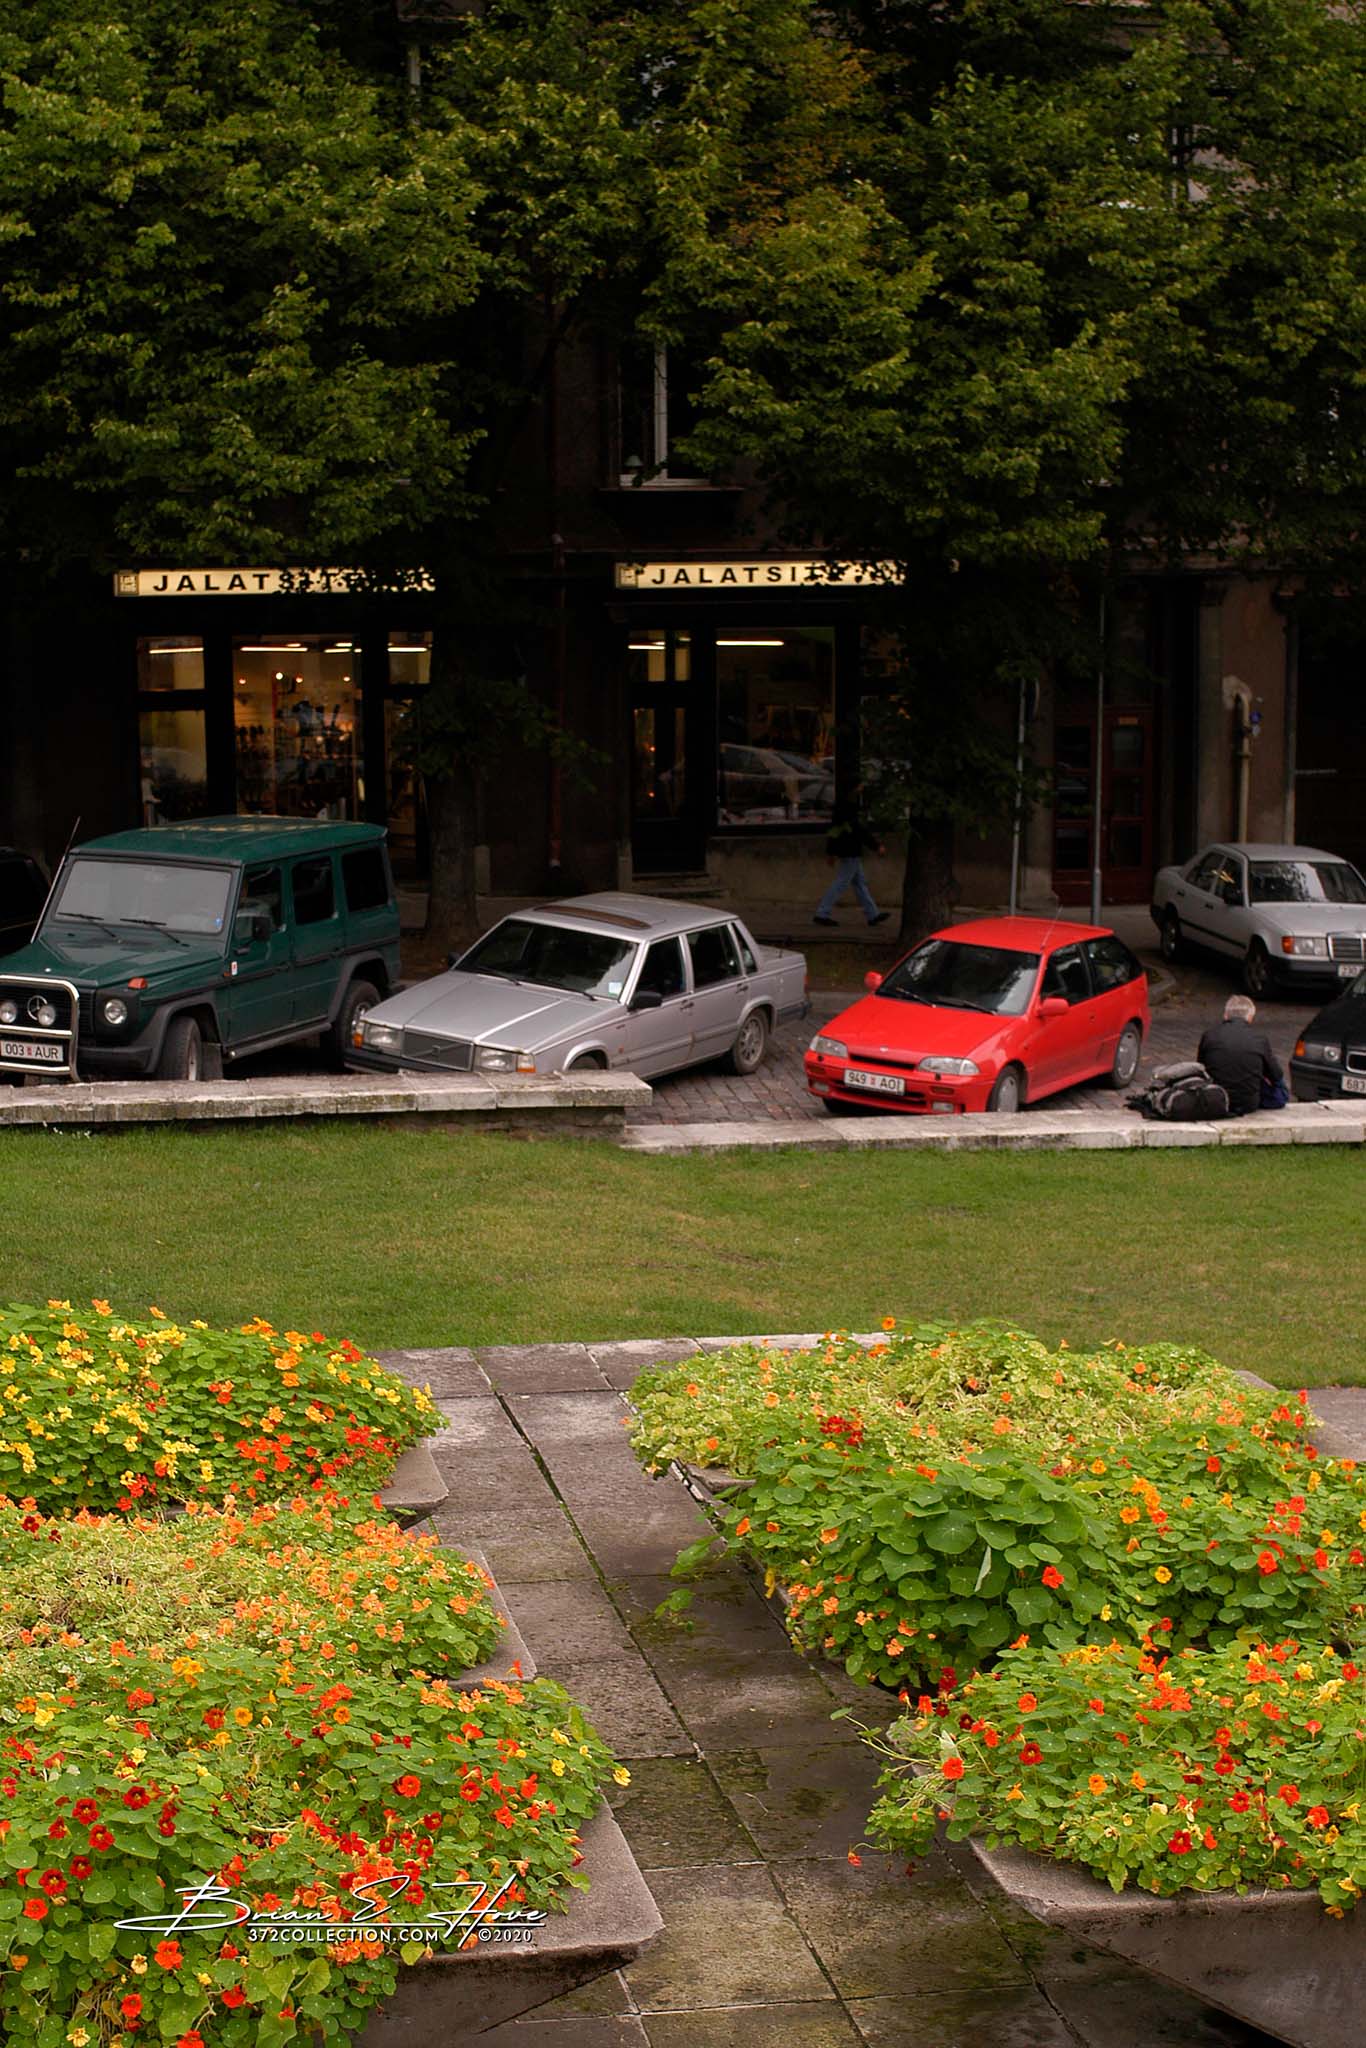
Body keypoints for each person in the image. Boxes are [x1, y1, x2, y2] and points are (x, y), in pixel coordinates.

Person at [1197, 993, 1288, 1114]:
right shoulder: (1259, 1039)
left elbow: (1201, 1068)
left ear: (1225, 1015)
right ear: (1250, 1017)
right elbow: (1276, 1075)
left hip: (1216, 1100)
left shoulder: (1209, 1035)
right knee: (1277, 1082)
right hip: (1248, 1104)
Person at [814, 798, 890, 927]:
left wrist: (831, 852)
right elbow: (861, 832)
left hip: (848, 853)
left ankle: (872, 914)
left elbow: (834, 833)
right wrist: (876, 846)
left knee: (859, 883)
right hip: (852, 852)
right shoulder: (850, 810)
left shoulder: (840, 812)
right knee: (842, 883)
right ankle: (822, 913)